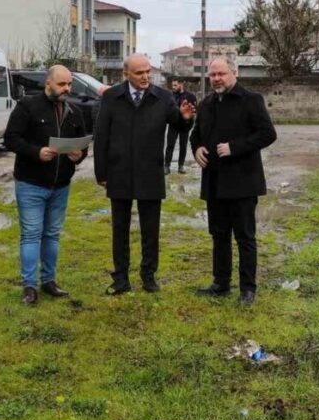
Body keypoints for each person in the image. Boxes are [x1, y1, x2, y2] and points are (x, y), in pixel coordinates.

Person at [94, 54, 196, 295]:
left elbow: (179, 125)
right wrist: (101, 172)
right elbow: (101, 136)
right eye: (139, 73)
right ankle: (120, 278)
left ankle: (148, 275)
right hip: (119, 171)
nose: (145, 77)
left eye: (148, 71)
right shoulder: (111, 97)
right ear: (126, 74)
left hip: (150, 171)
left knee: (151, 230)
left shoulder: (163, 97)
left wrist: (185, 118)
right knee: (120, 228)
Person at [191, 57, 277, 305]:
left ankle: (247, 289)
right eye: (213, 75)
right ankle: (220, 283)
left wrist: (235, 147)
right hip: (214, 182)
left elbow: (268, 134)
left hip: (242, 181)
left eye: (222, 74)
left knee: (245, 237)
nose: (217, 79)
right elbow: (195, 135)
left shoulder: (251, 100)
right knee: (219, 235)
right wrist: (196, 149)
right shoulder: (206, 104)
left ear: (234, 73)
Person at [4, 65, 88, 305]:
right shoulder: (28, 106)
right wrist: (36, 152)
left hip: (61, 185)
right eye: (62, 84)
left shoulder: (74, 111)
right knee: (31, 234)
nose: (67, 89)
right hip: (31, 183)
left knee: (52, 234)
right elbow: (11, 139)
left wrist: (78, 156)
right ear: (48, 84)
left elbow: (82, 146)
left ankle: (49, 281)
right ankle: (29, 287)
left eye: (69, 84)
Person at [165, 78, 198, 174]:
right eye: (172, 85)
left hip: (185, 125)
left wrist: (189, 121)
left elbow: (193, 111)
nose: (173, 87)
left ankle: (181, 166)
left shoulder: (190, 96)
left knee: (183, 146)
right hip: (173, 125)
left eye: (175, 85)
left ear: (181, 84)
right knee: (170, 146)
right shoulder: (170, 96)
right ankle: (167, 166)